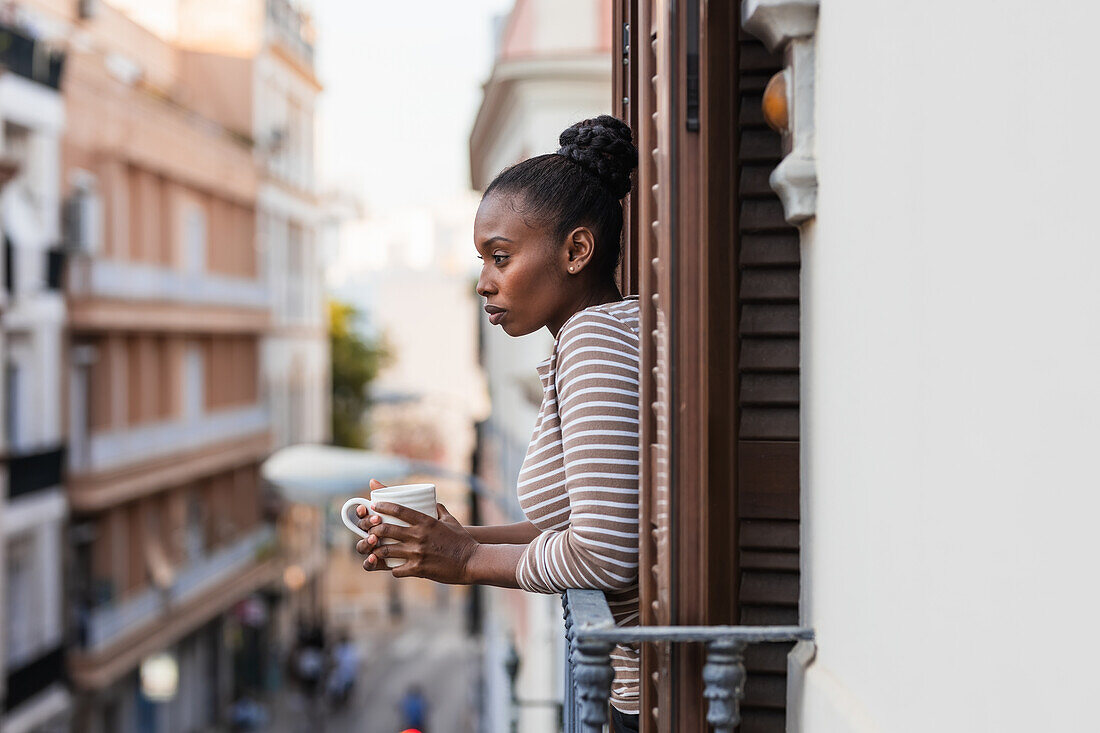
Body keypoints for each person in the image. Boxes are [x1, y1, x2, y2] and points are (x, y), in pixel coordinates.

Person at [355, 115, 642, 733]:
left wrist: (465, 560)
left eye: (501, 257)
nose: (484, 282)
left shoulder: (593, 341)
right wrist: (455, 539)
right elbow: (582, 521)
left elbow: (605, 554)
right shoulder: (593, 337)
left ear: (576, 250)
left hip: (639, 703)